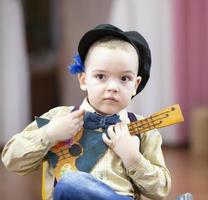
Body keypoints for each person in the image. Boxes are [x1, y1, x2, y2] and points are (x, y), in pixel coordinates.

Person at [1, 24, 171, 200]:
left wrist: (133, 158)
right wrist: (49, 133)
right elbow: (12, 161)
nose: (113, 87)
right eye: (100, 76)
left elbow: (160, 191)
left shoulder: (145, 131)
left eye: (124, 78)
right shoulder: (58, 118)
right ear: (83, 80)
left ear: (135, 85)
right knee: (70, 183)